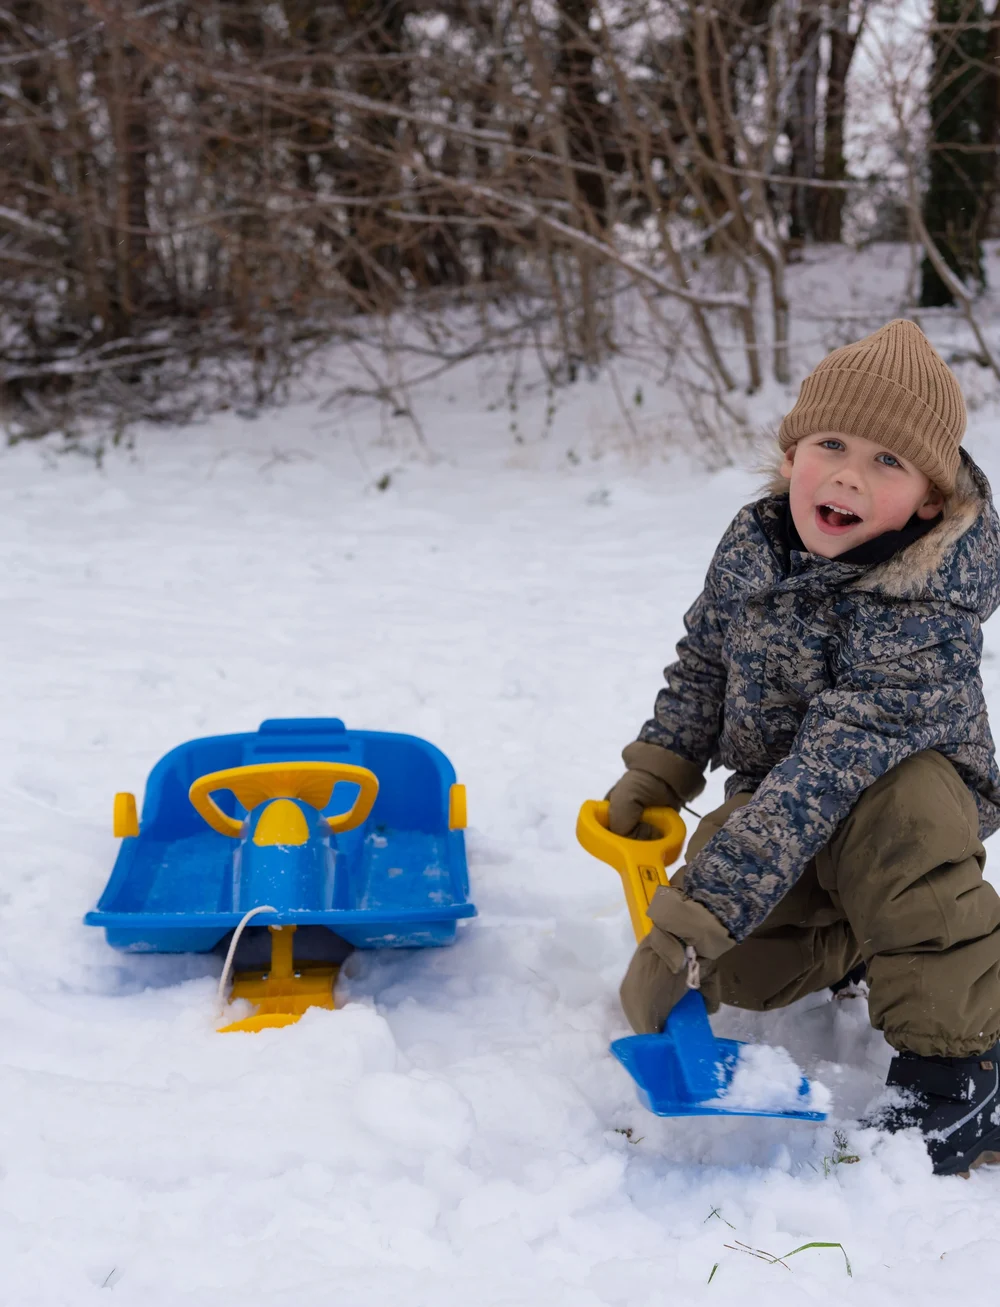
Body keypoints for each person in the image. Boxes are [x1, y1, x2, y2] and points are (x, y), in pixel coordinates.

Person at [606, 319, 1000, 1175]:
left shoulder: (926, 604)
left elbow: (824, 776)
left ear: (930, 499)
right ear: (793, 458)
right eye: (832, 443)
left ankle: (964, 1066)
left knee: (899, 826)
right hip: (783, 794)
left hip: (902, 804)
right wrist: (662, 768)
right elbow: (705, 659)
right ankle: (850, 937)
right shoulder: (756, 544)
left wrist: (691, 925)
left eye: (889, 461)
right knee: (740, 966)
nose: (850, 473)